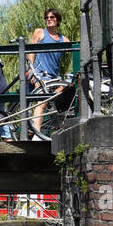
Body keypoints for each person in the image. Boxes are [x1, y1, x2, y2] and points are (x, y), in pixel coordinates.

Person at [28, 8, 71, 140]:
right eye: (47, 17)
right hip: (40, 73)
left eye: (52, 17)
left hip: (54, 77)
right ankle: (36, 134)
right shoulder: (40, 32)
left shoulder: (64, 39)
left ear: (58, 20)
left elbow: (76, 51)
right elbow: (31, 50)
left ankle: (54, 130)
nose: (49, 19)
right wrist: (30, 69)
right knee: (42, 102)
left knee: (63, 99)